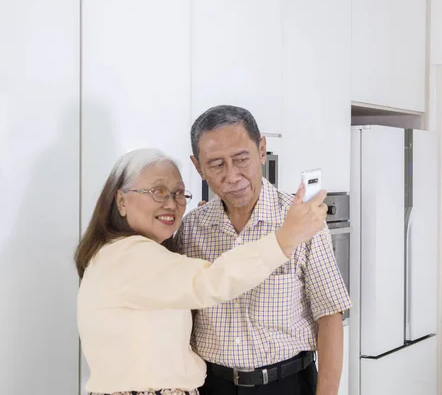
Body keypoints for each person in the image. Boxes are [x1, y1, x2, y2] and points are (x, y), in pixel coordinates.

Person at [76, 148, 328, 395]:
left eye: (178, 194)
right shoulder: (128, 256)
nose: (172, 204)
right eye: (159, 192)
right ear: (121, 200)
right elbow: (211, 280)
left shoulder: (131, 254)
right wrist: (285, 238)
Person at [177, 105, 352, 395]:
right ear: (199, 167)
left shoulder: (302, 221)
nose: (232, 176)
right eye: (217, 165)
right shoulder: (192, 228)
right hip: (210, 385)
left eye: (241, 159)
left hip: (286, 383)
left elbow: (329, 315)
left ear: (261, 151)